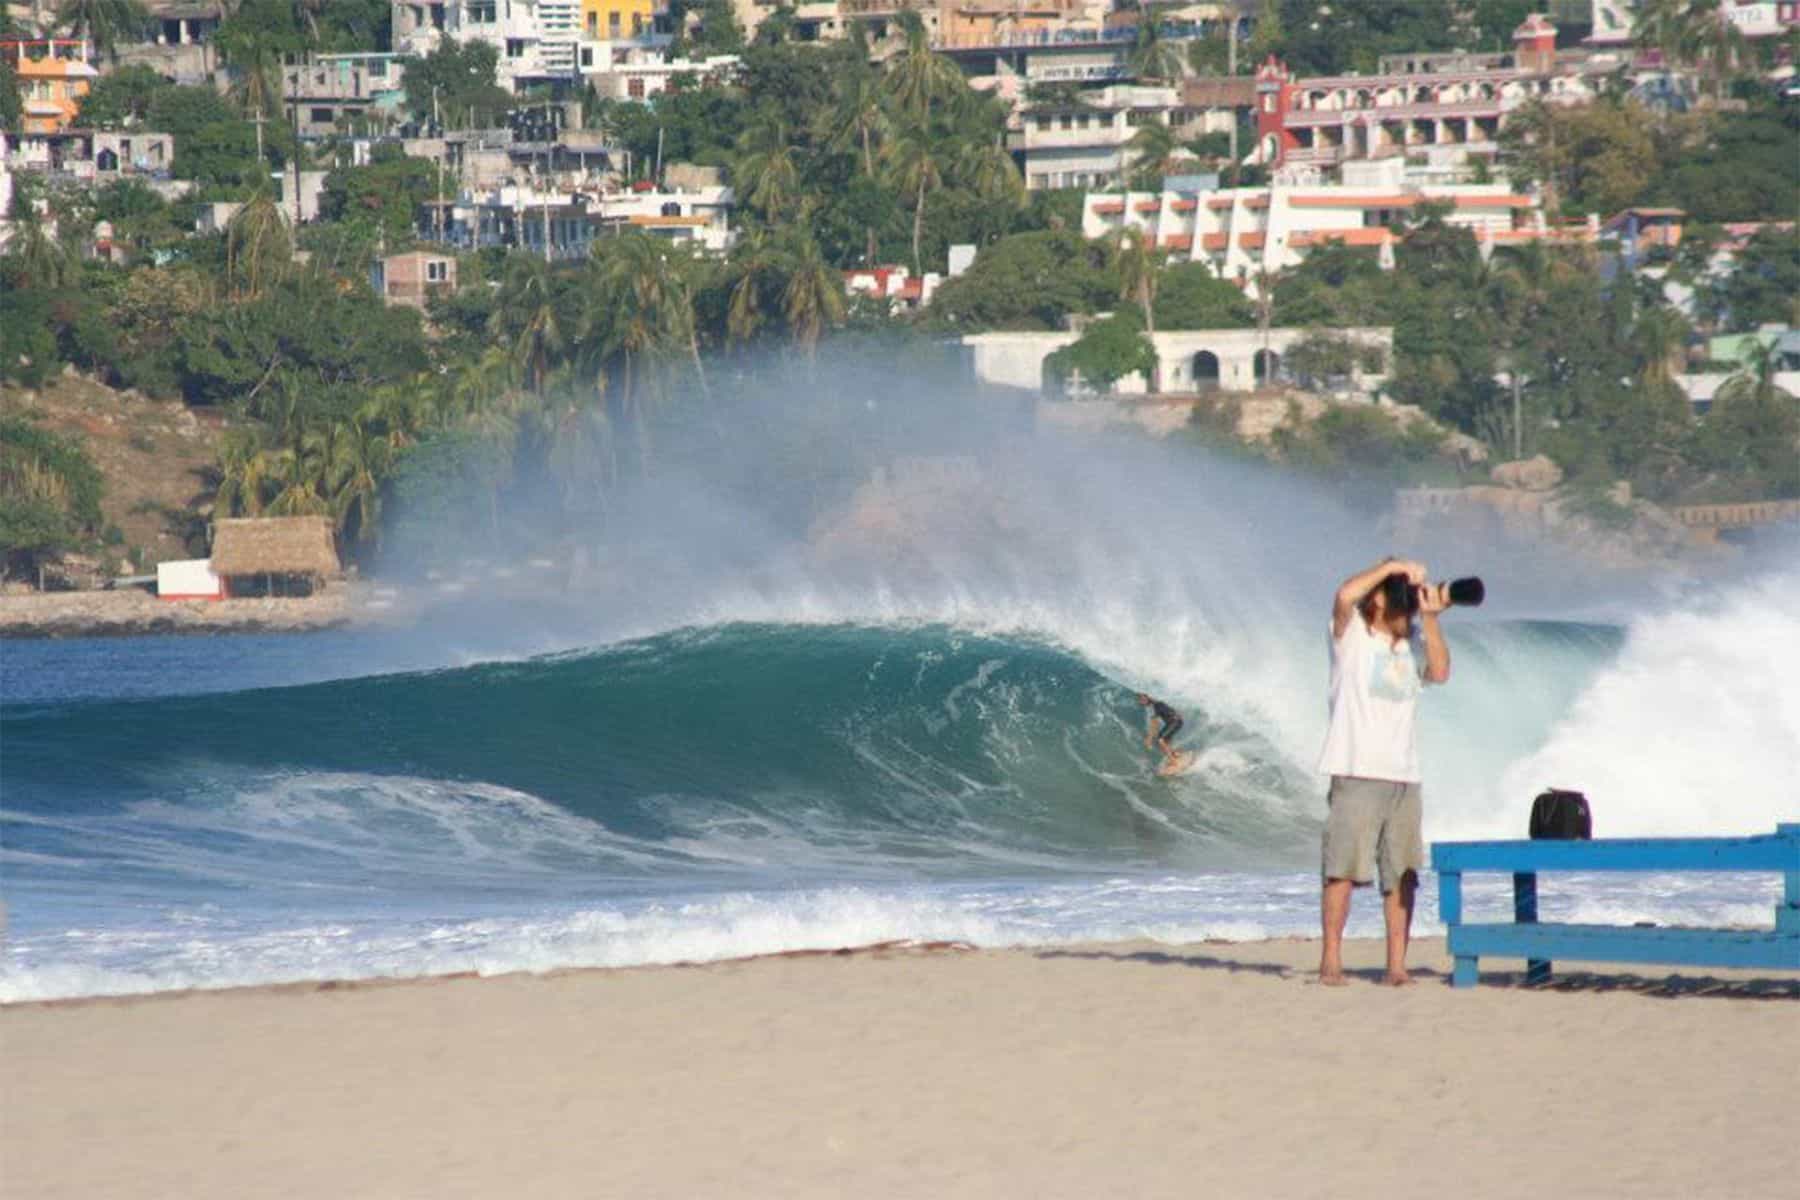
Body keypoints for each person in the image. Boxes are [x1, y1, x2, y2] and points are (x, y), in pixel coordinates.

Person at [1317, 558, 1451, 987]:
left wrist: (1429, 619)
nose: (1405, 611)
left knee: (1402, 874)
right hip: (1356, 770)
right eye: (1401, 602)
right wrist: (1392, 565)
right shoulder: (1351, 636)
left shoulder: (1412, 641)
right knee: (1342, 869)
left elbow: (1442, 672)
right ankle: (1331, 961)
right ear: (1377, 601)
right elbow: (1343, 595)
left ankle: (1396, 966)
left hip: (1404, 775)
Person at [1137, 693, 1185, 768]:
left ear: (1146, 698)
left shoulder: (1158, 705)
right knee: (1164, 742)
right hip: (1173, 722)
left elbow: (1154, 723)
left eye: (1141, 700)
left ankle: (1174, 762)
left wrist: (1149, 739)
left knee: (1160, 740)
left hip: (1175, 722)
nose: (1140, 703)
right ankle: (1176, 754)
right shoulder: (1157, 704)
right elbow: (1155, 723)